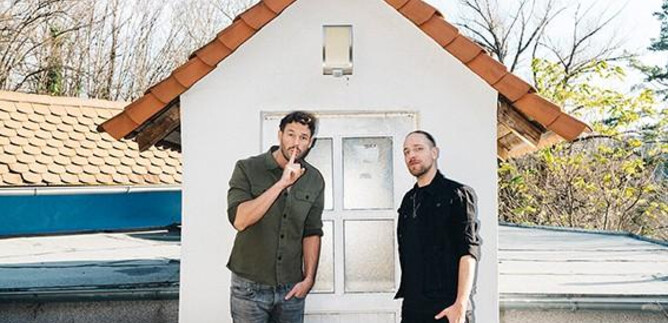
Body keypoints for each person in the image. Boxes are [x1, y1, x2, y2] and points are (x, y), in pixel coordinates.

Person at [227, 111, 324, 323]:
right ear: (279, 135)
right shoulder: (247, 168)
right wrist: (282, 183)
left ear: (311, 142)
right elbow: (240, 220)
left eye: (303, 137)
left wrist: (309, 279)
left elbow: (312, 232)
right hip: (249, 287)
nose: (296, 143)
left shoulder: (314, 179)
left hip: (291, 288)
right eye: (291, 134)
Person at [395, 130, 482, 323]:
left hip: (447, 309)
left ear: (434, 153)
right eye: (406, 151)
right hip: (413, 309)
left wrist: (460, 304)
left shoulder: (457, 194)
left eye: (418, 149)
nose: (411, 155)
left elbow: (468, 252)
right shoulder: (408, 200)